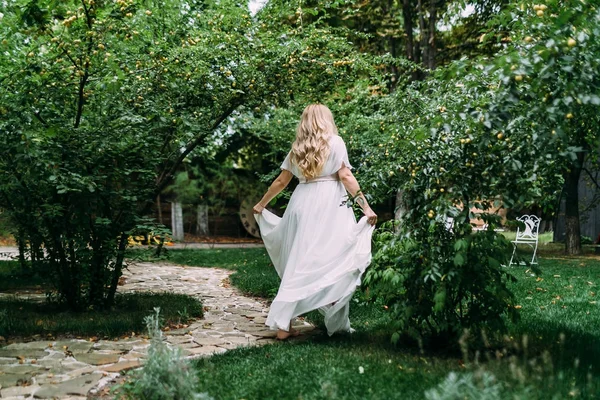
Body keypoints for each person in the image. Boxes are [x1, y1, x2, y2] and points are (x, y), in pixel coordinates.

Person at [253, 104, 377, 340]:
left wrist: (262, 203)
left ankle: (283, 326)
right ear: (325, 119)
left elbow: (281, 181)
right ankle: (334, 316)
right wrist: (366, 207)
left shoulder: (297, 148)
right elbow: (346, 176)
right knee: (332, 256)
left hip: (301, 202)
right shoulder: (336, 142)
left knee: (297, 259)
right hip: (329, 203)